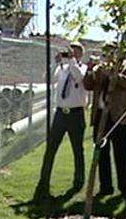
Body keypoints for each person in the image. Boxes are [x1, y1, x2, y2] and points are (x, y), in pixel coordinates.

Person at [83, 41, 126, 198]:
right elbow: (87, 85)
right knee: (101, 154)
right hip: (102, 116)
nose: (107, 55)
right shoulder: (99, 68)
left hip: (121, 117)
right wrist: (89, 70)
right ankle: (105, 187)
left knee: (122, 156)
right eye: (105, 52)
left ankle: (125, 189)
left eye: (110, 52)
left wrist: (113, 72)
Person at [35, 41, 89, 196]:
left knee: (77, 149)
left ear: (80, 54)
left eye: (75, 51)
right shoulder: (63, 69)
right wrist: (55, 62)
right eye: (70, 51)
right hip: (60, 114)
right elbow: (48, 78)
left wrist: (72, 60)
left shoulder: (83, 69)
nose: (71, 53)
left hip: (76, 114)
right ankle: (43, 181)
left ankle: (78, 181)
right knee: (51, 148)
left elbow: (79, 77)